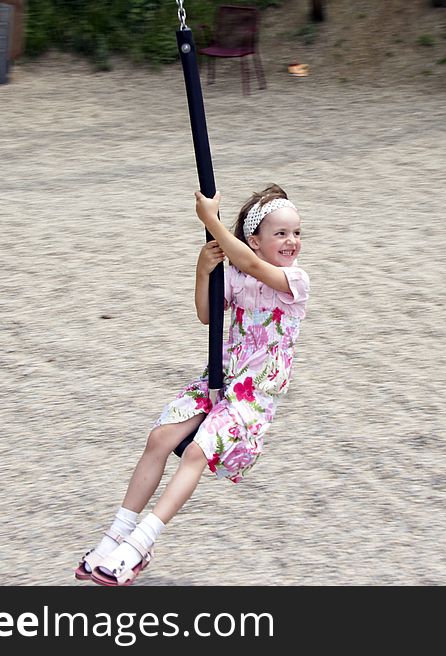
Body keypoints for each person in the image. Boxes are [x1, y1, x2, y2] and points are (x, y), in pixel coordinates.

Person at [74, 184, 309, 586]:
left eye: (297, 233)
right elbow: (206, 314)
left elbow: (255, 268)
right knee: (159, 438)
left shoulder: (295, 281)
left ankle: (140, 544)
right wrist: (204, 268)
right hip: (219, 378)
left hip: (253, 394)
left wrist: (210, 222)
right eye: (280, 234)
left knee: (196, 452)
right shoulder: (234, 274)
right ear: (254, 240)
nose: (291, 242)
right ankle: (115, 535)